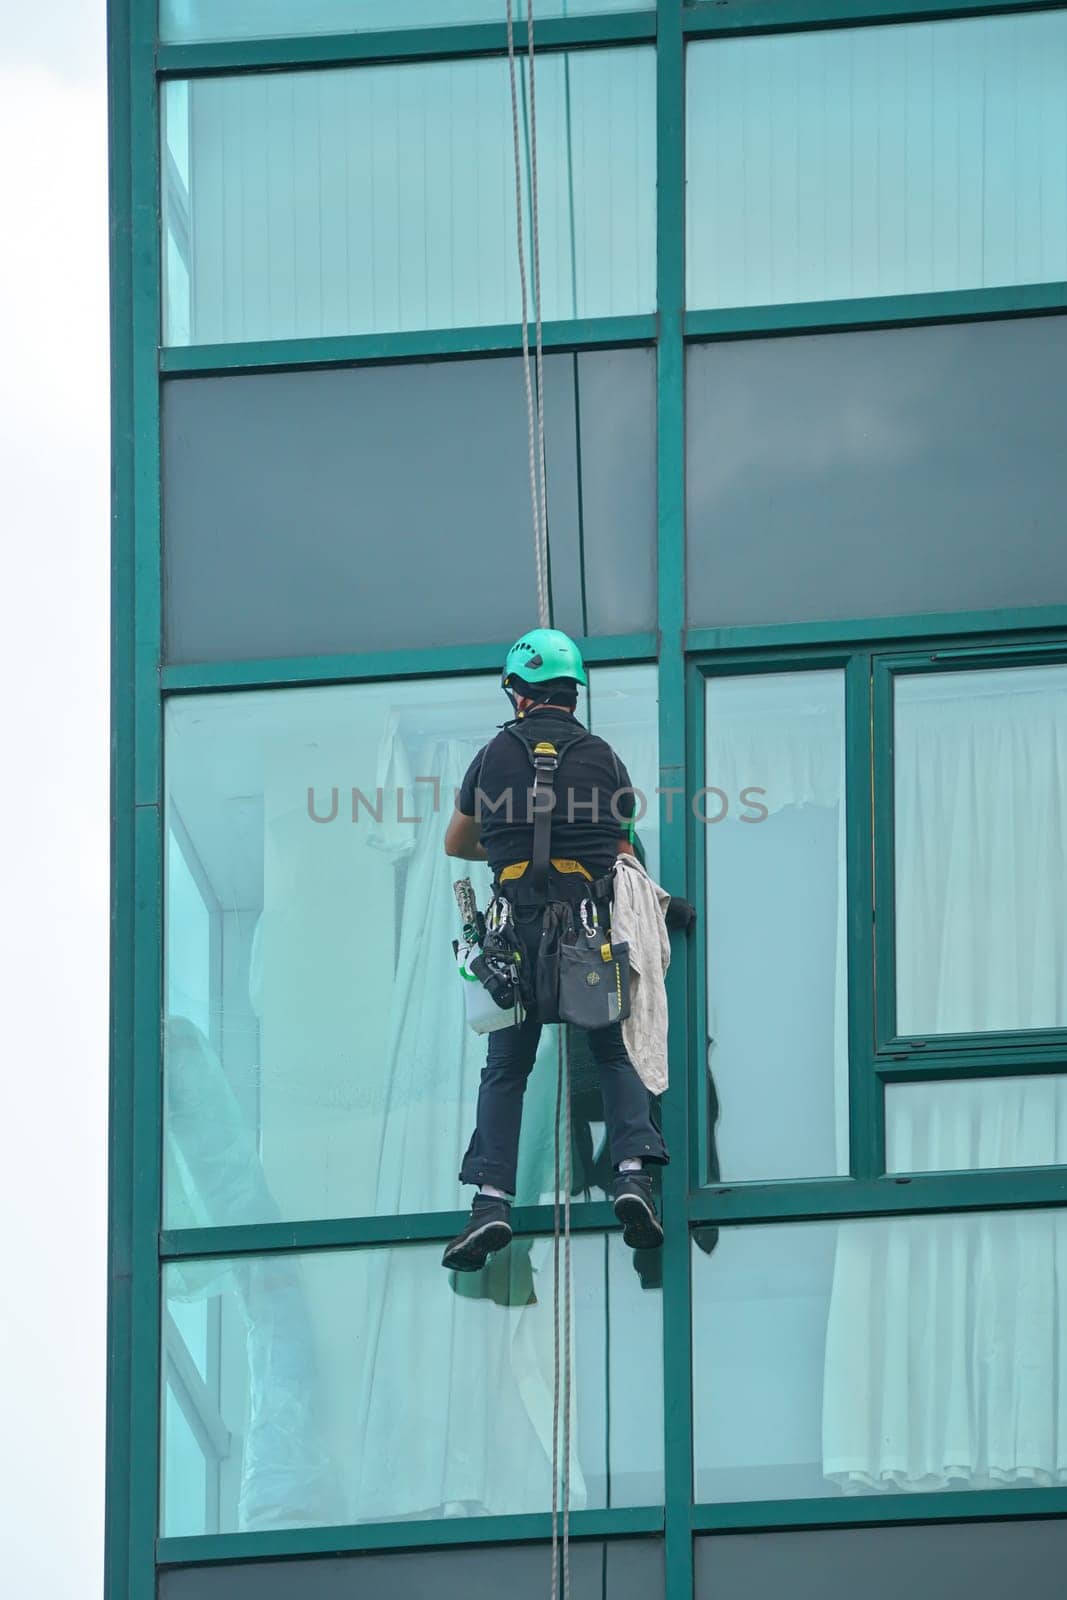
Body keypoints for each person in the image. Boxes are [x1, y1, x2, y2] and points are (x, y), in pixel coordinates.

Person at [441, 627, 670, 1272]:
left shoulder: (493, 757)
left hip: (513, 940)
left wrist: (512, 848)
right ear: (573, 693)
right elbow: (620, 850)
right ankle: (632, 1175)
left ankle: (490, 1204)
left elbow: (457, 843)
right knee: (614, 1052)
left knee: (506, 1069)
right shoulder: (605, 759)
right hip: (588, 935)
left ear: (518, 693)